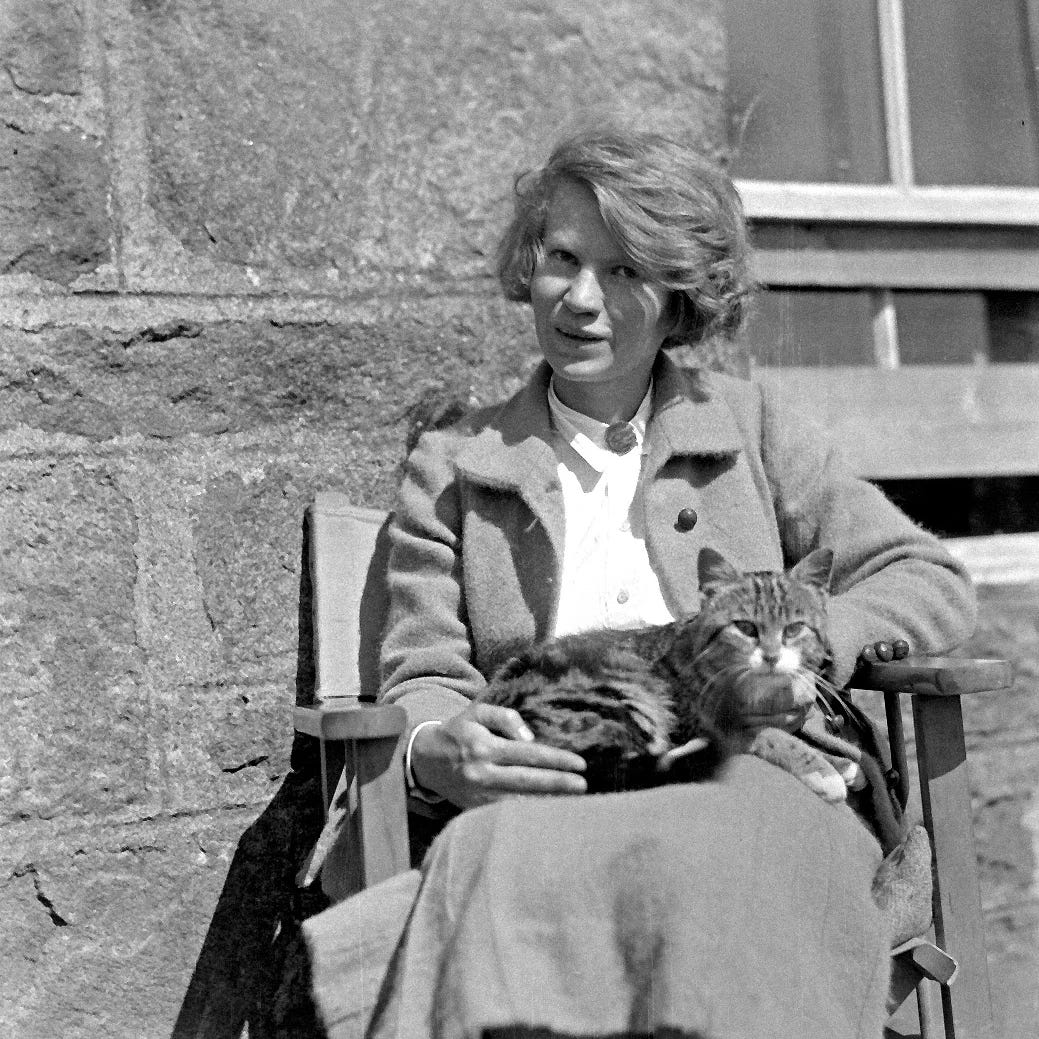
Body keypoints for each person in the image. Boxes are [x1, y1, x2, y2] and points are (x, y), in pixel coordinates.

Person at [305, 126, 976, 1039]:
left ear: (677, 298)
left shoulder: (750, 426)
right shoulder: (455, 464)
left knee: (714, 845)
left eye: (624, 271)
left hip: (755, 766)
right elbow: (423, 664)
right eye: (562, 259)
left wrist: (816, 642)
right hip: (553, 784)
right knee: (486, 852)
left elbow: (924, 574)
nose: (581, 299)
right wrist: (433, 747)